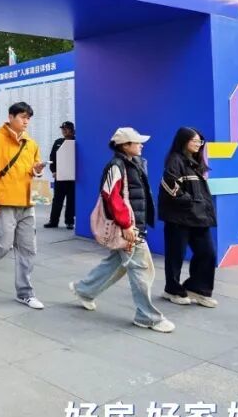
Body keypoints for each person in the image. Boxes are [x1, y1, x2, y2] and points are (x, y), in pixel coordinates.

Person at [69, 127, 175, 333]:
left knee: (116, 264)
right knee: (141, 269)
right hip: (128, 227)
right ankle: (147, 316)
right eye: (137, 142)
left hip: (133, 225)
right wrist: (126, 225)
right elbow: (112, 197)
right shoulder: (116, 166)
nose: (141, 145)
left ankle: (84, 290)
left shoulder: (134, 163)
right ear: (125, 145)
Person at [0, 102, 46, 309]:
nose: (26, 121)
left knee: (28, 249)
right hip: (4, 202)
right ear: (11, 117)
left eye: (28, 118)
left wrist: (37, 169)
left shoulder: (31, 143)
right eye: (22, 117)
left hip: (27, 202)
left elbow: (33, 169)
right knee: (1, 246)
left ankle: (25, 293)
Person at [159, 126, 218, 308]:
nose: (198, 144)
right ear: (183, 141)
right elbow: (170, 187)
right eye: (194, 140)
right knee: (175, 255)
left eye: (200, 141)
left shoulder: (196, 161)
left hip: (199, 217)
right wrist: (189, 202)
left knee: (207, 253)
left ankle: (198, 289)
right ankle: (172, 290)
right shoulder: (175, 160)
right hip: (179, 217)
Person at [45, 121, 77, 230]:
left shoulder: (78, 141)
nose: (64, 130)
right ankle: (53, 221)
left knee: (71, 200)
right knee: (57, 200)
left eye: (66, 128)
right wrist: (53, 171)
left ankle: (70, 222)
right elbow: (52, 158)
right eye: (62, 129)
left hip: (73, 177)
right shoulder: (58, 142)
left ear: (72, 130)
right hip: (60, 175)